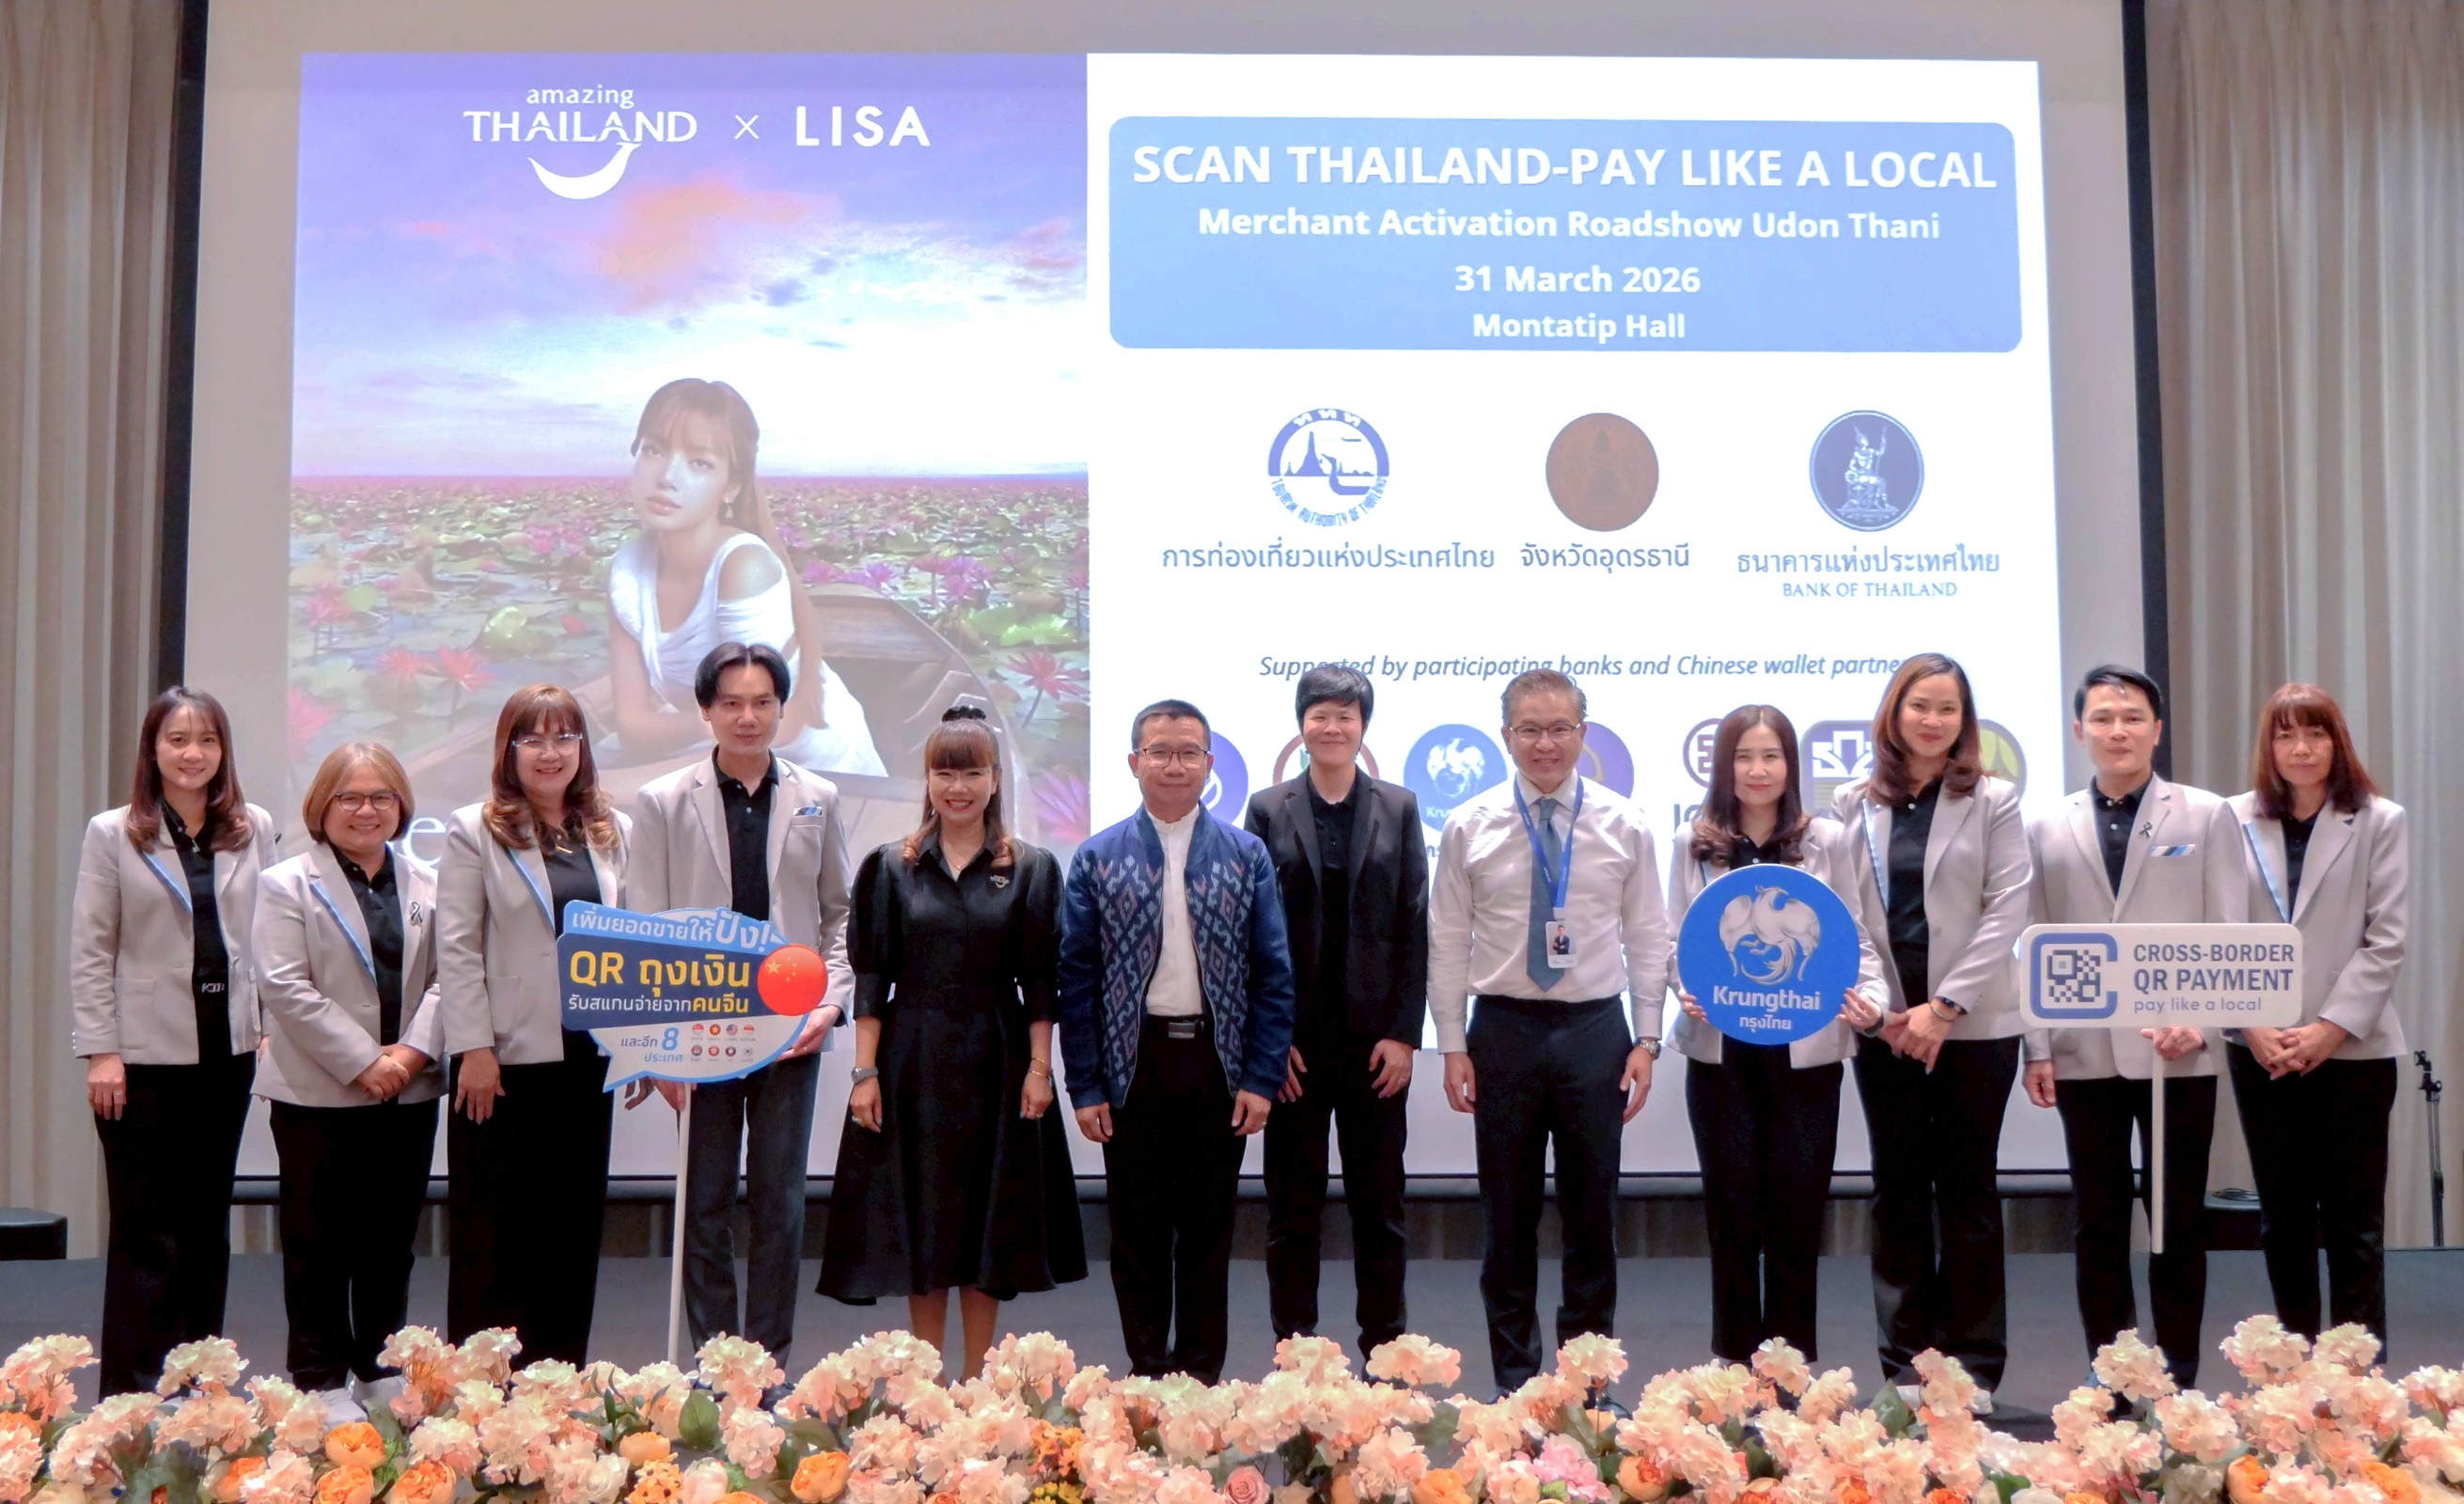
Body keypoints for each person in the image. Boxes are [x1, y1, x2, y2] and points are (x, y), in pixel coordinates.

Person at [820, 707, 1087, 1375]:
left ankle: (979, 1383)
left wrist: (1039, 1069)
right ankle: (930, 1380)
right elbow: (872, 977)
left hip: (998, 1058)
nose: (958, 787)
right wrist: (863, 1074)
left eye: (971, 773)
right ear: (928, 780)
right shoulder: (890, 867)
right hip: (911, 1060)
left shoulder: (1032, 868)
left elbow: (1041, 980)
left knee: (988, 1222)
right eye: (945, 772)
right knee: (924, 1218)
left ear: (995, 779)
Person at [1432, 668, 1668, 1396]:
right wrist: (1451, 1043)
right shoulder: (1468, 824)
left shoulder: (1624, 824)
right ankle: (1515, 1386)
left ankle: (1587, 1387)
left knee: (1592, 1219)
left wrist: (1647, 1038)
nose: (1544, 743)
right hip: (1501, 1031)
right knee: (1506, 1220)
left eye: (1559, 728)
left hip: (1595, 1031)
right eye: (1529, 730)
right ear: (1505, 736)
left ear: (1582, 734)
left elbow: (1647, 934)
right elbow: (1447, 939)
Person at [1056, 698, 1296, 1382]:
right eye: (1159, 752)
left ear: (1209, 764)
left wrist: (1261, 1077)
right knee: (1135, 1233)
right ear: (1134, 762)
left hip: (1216, 1066)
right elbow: (1075, 978)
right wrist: (1085, 1084)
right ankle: (1146, 1374)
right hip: (1133, 1066)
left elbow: (1273, 974)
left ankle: (1200, 1381)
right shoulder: (1097, 857)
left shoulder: (1246, 855)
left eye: (1188, 752)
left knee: (1208, 1233)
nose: (1173, 765)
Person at [627, 642, 853, 1369]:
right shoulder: (663, 801)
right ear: (706, 710)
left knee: (781, 1202)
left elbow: (840, 914)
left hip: (792, 1027)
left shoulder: (818, 796)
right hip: (699, 1028)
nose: (747, 717)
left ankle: (770, 1364)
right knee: (706, 1199)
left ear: (781, 708)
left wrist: (829, 1004)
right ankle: (717, 1364)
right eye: (731, 703)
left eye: (761, 702)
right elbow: (643, 925)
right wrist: (655, 1045)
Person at [2023, 665, 2247, 1386]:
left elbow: (2227, 927)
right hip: (2081, 1047)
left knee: (2176, 1216)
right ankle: (2112, 1371)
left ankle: (2176, 1371)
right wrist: (2036, 1046)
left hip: (2176, 1050)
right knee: (2096, 1218)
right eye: (2101, 717)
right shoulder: (2044, 824)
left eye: (2130, 717)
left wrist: (2202, 1022)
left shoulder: (2206, 814)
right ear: (2078, 730)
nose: (2116, 730)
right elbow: (2032, 938)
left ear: (2156, 728)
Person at [1832, 653, 2032, 1403]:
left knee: (1969, 1192)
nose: (1932, 720)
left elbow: (2006, 908)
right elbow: (1845, 914)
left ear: (1964, 720)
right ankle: (1905, 1365)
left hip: (1973, 1027)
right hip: (1884, 1026)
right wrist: (1884, 1010)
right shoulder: (1850, 802)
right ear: (1894, 712)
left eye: (1947, 708)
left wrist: (1942, 1008)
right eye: (1919, 705)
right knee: (1897, 1191)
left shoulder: (1993, 800)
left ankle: (1973, 1366)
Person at [70, 687, 278, 1397]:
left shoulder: (253, 827)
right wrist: (101, 1050)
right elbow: (92, 947)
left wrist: (270, 1023)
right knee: (145, 1229)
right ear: (153, 750)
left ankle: (199, 1386)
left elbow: (270, 936)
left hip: (229, 1051)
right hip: (141, 1058)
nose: (193, 754)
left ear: (224, 752)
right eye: (178, 740)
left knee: (205, 1225)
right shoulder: (114, 832)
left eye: (207, 740)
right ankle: (133, 1394)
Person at [1664, 706, 1885, 1362]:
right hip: (1720, 1052)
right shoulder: (1692, 841)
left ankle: (1791, 1360)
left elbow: (1855, 936)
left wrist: (1872, 1002)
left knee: (1797, 1207)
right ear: (1722, 766)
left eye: (1771, 756)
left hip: (1806, 1054)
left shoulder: (1828, 838)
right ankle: (1732, 1356)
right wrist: (1682, 985)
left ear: (1791, 765)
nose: (1757, 770)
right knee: (1730, 1208)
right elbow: (1673, 938)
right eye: (1743, 757)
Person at [436, 684, 633, 1362]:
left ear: (582, 749)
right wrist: (473, 1047)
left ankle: (560, 1378)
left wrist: (641, 1045)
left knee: (570, 1230)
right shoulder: (474, 828)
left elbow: (633, 944)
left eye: (565, 738)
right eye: (534, 739)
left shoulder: (611, 830)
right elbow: (457, 946)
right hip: (503, 1063)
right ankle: (483, 1386)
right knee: (494, 1234)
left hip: (588, 1059)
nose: (551, 753)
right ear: (509, 749)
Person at [252, 743, 446, 1421]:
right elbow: (284, 985)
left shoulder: (429, 880)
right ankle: (319, 1375)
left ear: (401, 806)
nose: (367, 810)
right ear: (322, 806)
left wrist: (410, 1056)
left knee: (390, 1242)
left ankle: (378, 1365)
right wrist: (367, 1062)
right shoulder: (285, 882)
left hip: (408, 1089)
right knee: (318, 1241)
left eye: (382, 797)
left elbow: (450, 977)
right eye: (351, 797)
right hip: (318, 1091)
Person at [1241, 665, 1426, 1359]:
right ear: (1301, 725)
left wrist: (1404, 1035)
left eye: (1345, 715)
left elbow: (1414, 926)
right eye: (1319, 714)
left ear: (1362, 726)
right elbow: (1251, 933)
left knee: (1381, 1207)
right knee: (1292, 1210)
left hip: (1375, 1047)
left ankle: (1386, 1353)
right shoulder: (1267, 808)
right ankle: (1296, 1354)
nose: (1332, 726)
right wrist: (1269, 1041)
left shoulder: (1399, 806)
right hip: (1294, 1046)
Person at [2226, 683, 2407, 1344]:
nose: (2300, 749)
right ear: (2268, 747)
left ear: (2337, 742)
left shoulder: (2380, 819)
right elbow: (2217, 928)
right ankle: (2292, 1368)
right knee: (2283, 1219)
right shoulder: (2231, 819)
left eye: (2315, 733)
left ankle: (2358, 1376)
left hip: (2353, 1049)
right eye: (2285, 735)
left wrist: (2329, 1028)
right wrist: (2248, 1022)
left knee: (2354, 1223)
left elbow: (2386, 938)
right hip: (2261, 1047)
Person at [604, 377, 885, 776]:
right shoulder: (627, 571)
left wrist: (621, 784)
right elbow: (633, 728)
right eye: (654, 450)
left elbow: (764, 732)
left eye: (699, 462)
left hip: (812, 768)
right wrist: (708, 722)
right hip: (714, 750)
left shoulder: (743, 568)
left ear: (731, 486)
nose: (666, 475)